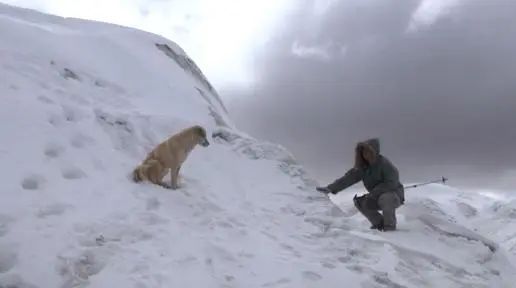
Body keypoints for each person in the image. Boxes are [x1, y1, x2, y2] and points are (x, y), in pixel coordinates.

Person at [316, 138, 404, 231]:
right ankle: (379, 223)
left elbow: (391, 183)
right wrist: (330, 188)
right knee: (360, 202)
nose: (365, 154)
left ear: (375, 152)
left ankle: (389, 227)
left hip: (394, 195)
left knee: (386, 198)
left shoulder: (385, 164)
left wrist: (373, 194)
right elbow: (348, 179)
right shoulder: (362, 168)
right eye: (363, 152)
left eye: (368, 151)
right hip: (375, 196)